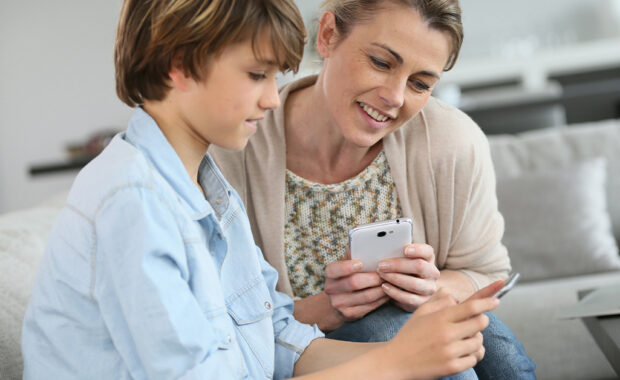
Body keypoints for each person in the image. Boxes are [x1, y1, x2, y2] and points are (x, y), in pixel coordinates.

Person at [21, 0, 503, 379]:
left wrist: (406, 354)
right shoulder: (132, 201)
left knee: (478, 357)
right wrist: (394, 364)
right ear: (179, 65)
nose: (274, 98)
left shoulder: (209, 191)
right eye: (257, 75)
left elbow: (272, 336)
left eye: (274, 77)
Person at [209, 0, 537, 379]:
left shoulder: (453, 142)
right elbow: (221, 319)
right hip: (305, 355)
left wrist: (427, 289)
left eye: (420, 84)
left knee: (495, 348)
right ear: (328, 35)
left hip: (417, 336)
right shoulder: (232, 147)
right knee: (396, 330)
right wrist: (325, 308)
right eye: (381, 62)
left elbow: (485, 271)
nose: (396, 97)